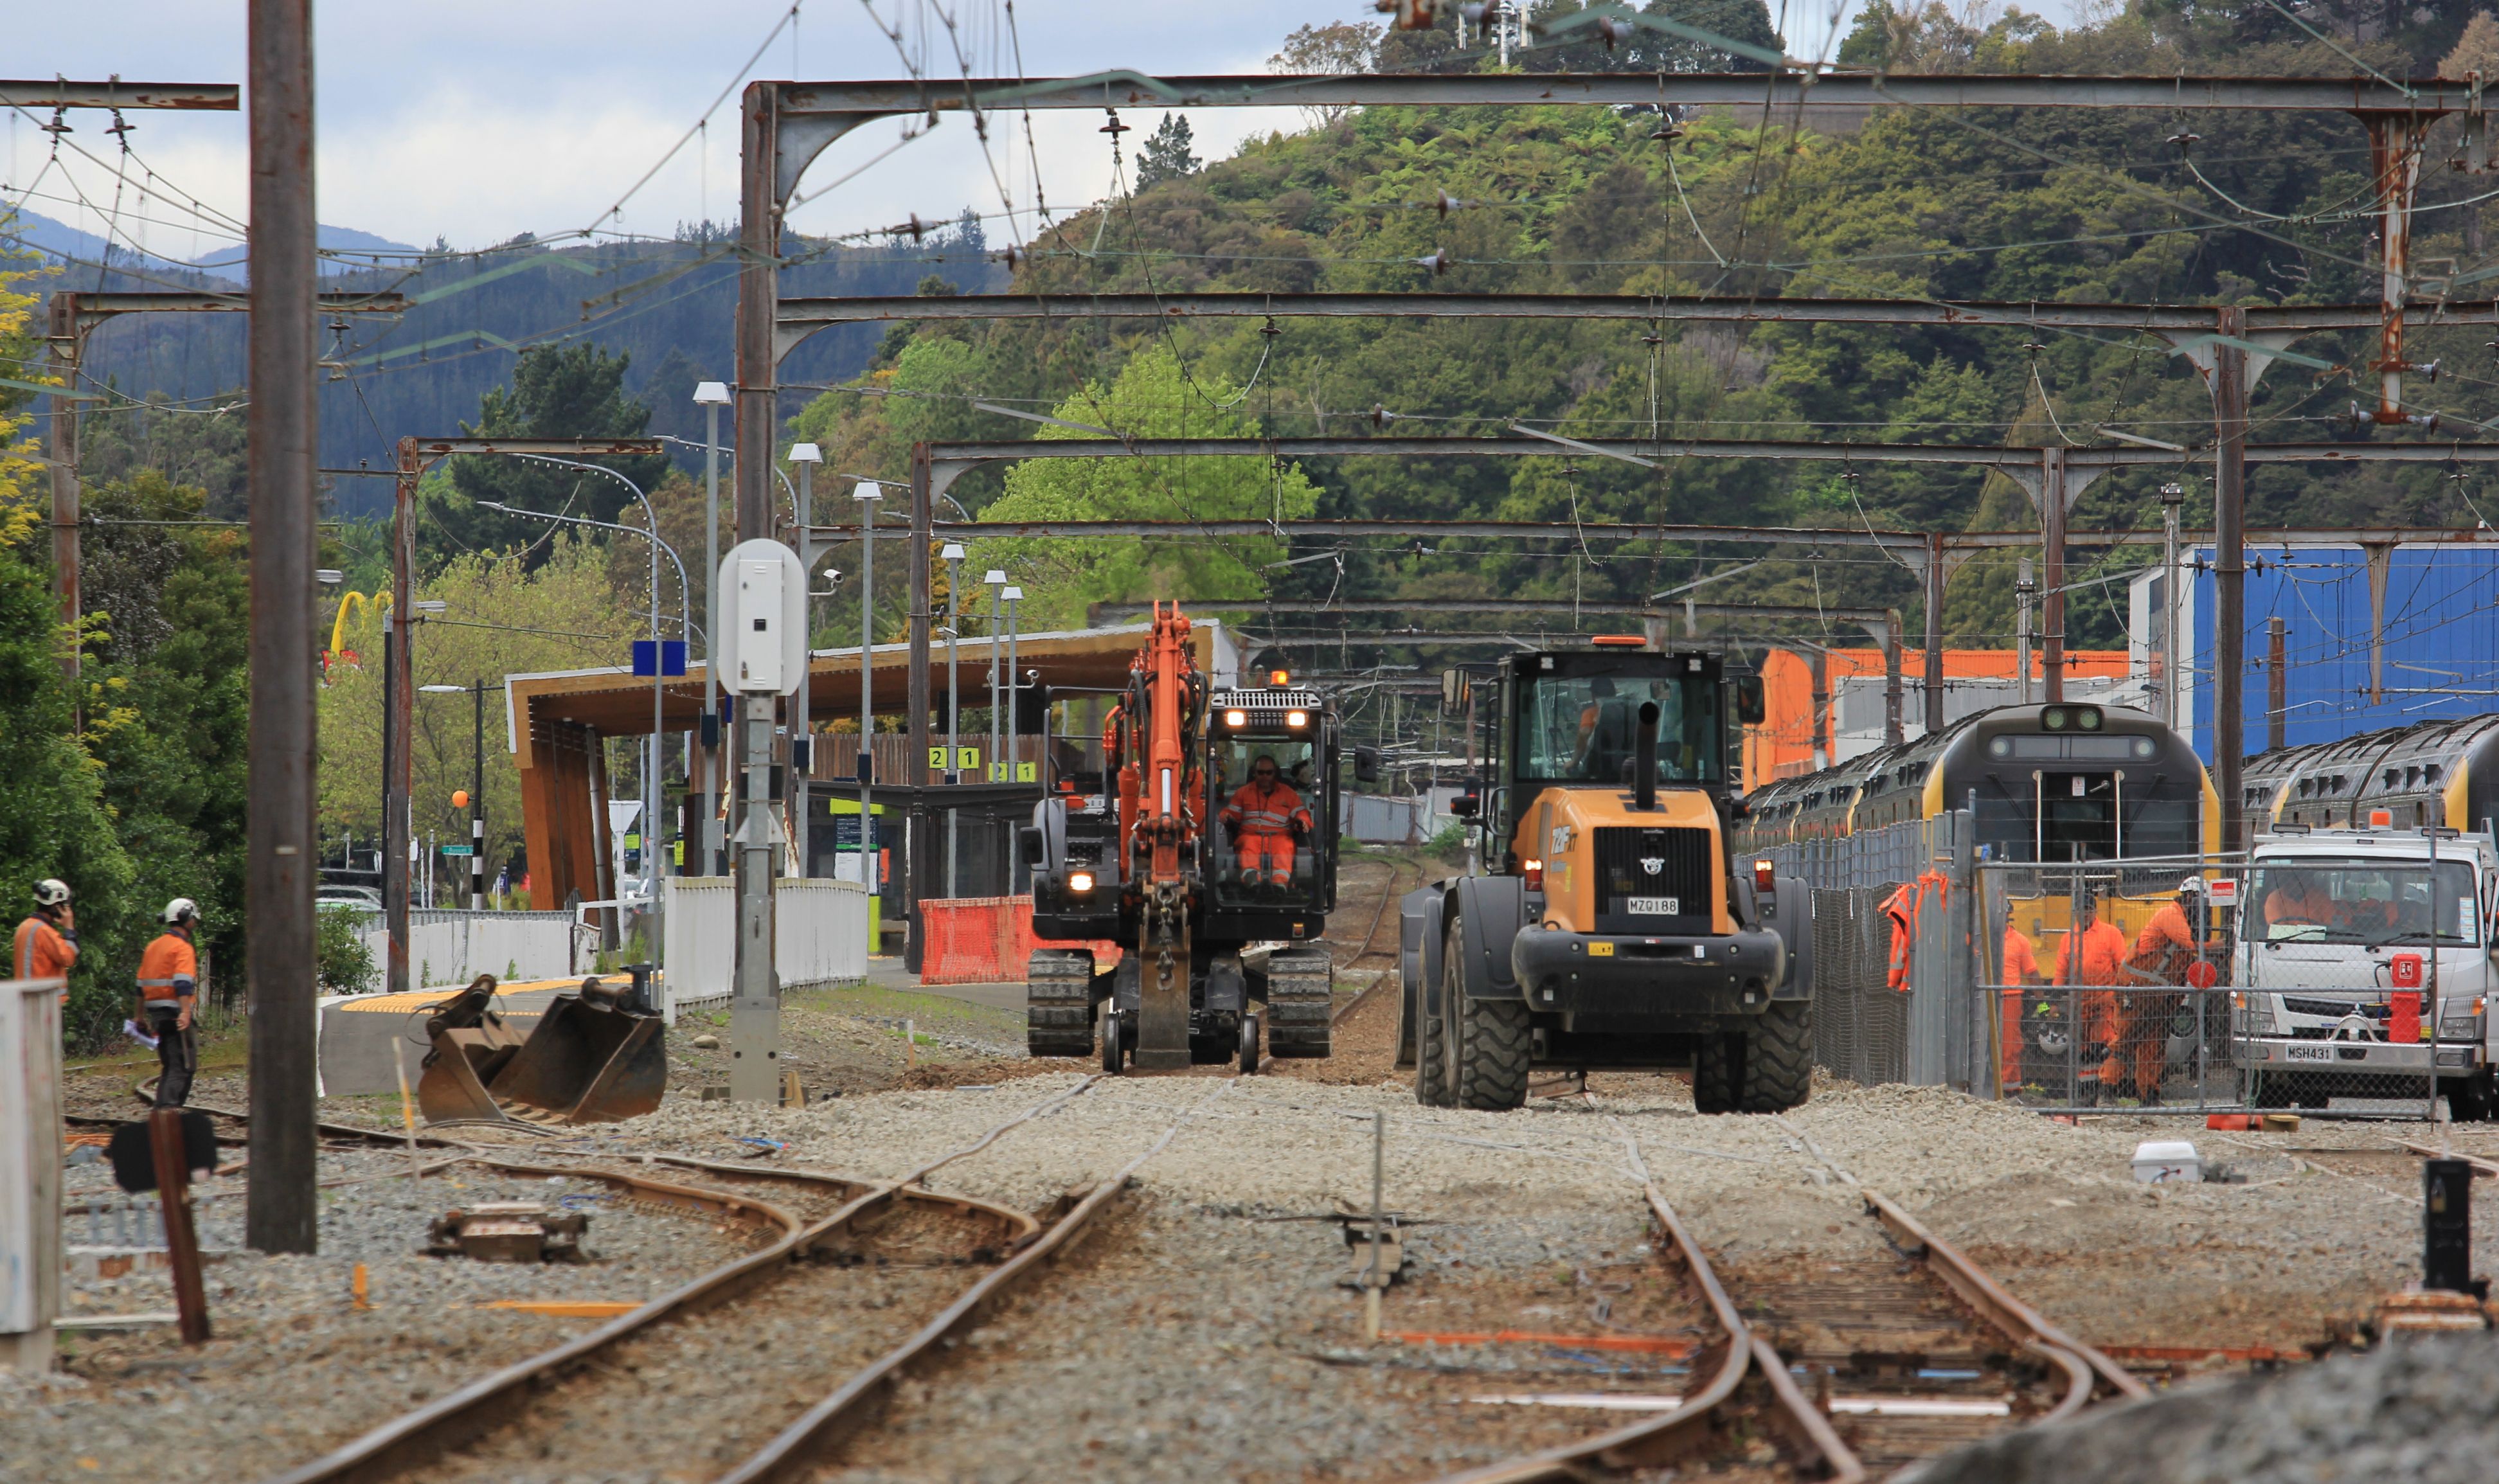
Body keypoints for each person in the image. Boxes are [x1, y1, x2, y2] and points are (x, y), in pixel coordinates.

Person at [2116, 877, 2207, 1106]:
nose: (2199, 906)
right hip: (2138, 988)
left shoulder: (2186, 920)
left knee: (2154, 1043)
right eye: (2196, 900)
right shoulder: (2171, 915)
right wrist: (2222, 944)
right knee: (2126, 1039)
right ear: (2187, 897)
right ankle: (2107, 1089)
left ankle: (2150, 1095)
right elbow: (2191, 945)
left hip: (2157, 993)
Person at [2052, 884, 2129, 1105]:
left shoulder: (2111, 933)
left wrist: (2120, 996)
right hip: (2080, 1005)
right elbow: (2061, 971)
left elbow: (2122, 966)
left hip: (2106, 1003)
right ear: (2075, 913)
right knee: (2083, 1050)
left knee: (2107, 1047)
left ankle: (2107, 1092)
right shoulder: (2068, 938)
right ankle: (2087, 1094)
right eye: (2081, 910)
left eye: (2088, 909)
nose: (2085, 913)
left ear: (2094, 911)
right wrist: (2055, 1003)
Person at [136, 898, 201, 1107]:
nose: (195, 923)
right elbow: (182, 983)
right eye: (193, 919)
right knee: (183, 1067)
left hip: (157, 1016)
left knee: (170, 1065)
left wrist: (139, 1016)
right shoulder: (182, 948)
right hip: (175, 1015)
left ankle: (164, 1113)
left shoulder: (153, 947)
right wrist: (185, 1012)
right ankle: (167, 1113)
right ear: (186, 919)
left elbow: (139, 986)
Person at [1218, 753, 1313, 888]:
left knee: (1285, 846)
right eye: (1261, 772)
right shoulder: (1243, 793)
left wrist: (1303, 821)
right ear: (1254, 773)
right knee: (1247, 844)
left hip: (1280, 837)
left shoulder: (1288, 793)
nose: (1265, 776)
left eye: (1269, 773)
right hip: (1251, 835)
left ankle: (1279, 885)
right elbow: (1230, 812)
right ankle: (1252, 881)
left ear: (1275, 774)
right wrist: (1225, 816)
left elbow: (1301, 812)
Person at [14, 878, 78, 1005]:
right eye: (64, 905)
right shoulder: (44, 931)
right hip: (42, 1001)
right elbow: (68, 958)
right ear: (56, 906)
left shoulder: (26, 926)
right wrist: (69, 928)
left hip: (27, 999)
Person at [2000, 921, 2042, 1091]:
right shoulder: (1980, 938)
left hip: (2011, 997)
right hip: (1984, 996)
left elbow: (2032, 972)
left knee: (2010, 1045)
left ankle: (2008, 1088)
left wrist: (2044, 1006)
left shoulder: (2020, 941)